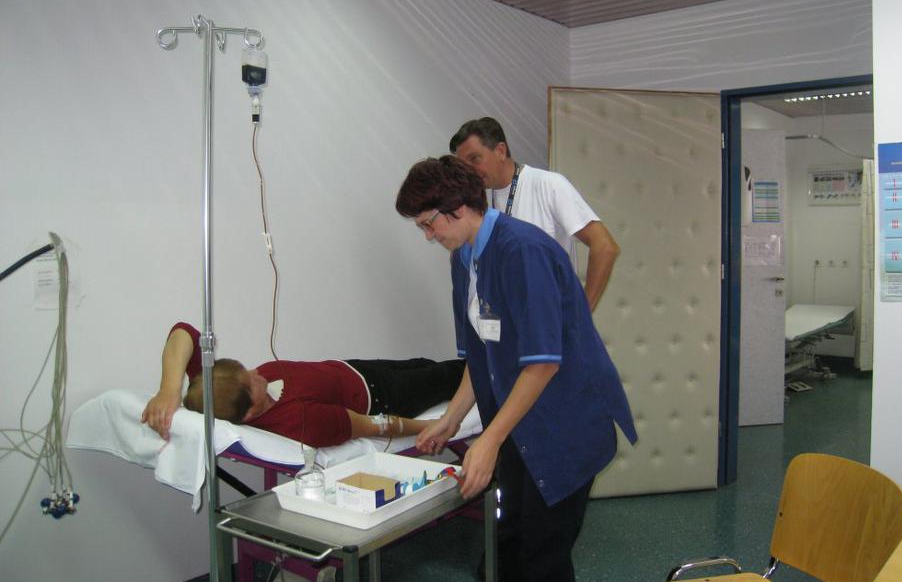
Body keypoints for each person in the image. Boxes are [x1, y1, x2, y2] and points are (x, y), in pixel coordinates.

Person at [395, 156, 637, 582]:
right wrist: (451, 419)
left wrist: (489, 440)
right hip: (520, 423)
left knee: (541, 556)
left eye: (429, 224)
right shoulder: (464, 259)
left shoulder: (523, 251)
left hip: (564, 423)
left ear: (458, 208)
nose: (429, 236)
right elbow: (480, 352)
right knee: (507, 544)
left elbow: (542, 364)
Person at [141, 321, 465, 448]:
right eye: (251, 381)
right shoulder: (300, 420)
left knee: (428, 364)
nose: (256, 373)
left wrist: (168, 390)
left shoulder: (212, 389)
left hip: (355, 369)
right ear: (250, 412)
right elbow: (377, 425)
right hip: (385, 395)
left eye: (246, 369)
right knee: (454, 375)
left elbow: (185, 332)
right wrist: (435, 427)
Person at [450, 116, 619, 311]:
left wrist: (582, 315)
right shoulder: (478, 201)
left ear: (500, 151)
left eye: (475, 159)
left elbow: (605, 247)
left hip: (548, 320)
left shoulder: (549, 185)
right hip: (505, 321)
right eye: (463, 166)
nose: (469, 171)